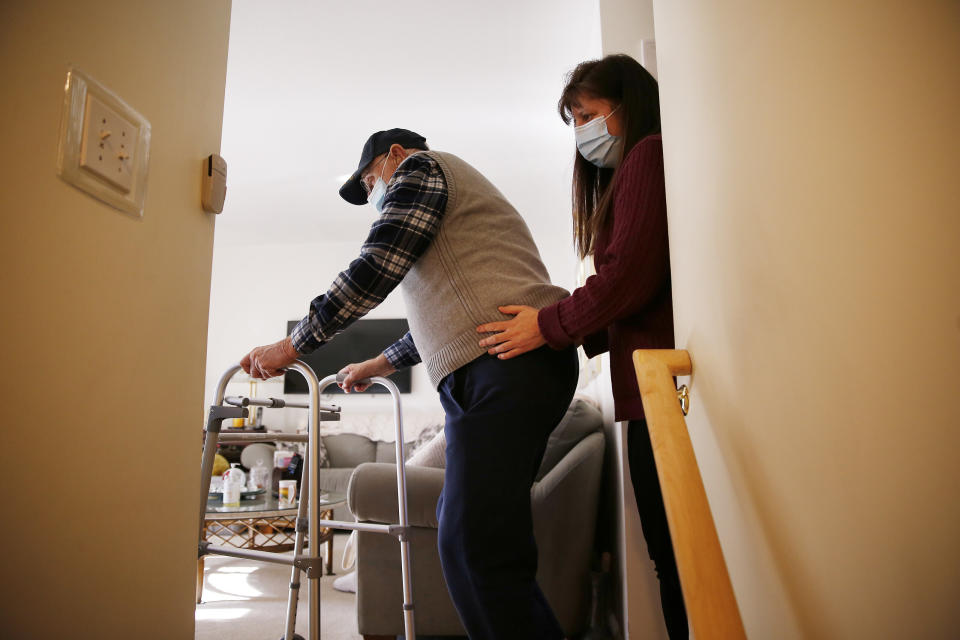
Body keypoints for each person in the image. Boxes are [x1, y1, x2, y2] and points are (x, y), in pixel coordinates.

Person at [240, 128, 578, 639]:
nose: (374, 194)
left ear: (394, 155)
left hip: (504, 367)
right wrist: (380, 362)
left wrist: (292, 347)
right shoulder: (448, 213)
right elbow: (452, 312)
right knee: (471, 536)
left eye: (371, 179)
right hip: (499, 366)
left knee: (475, 543)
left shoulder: (422, 169)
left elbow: (377, 263)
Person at [474, 55, 688, 639]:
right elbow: (628, 294)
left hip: (661, 398)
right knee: (671, 559)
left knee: (675, 560)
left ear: (628, 106)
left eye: (588, 115)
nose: (582, 132)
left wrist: (549, 325)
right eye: (573, 120)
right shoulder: (639, 168)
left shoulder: (649, 153)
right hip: (648, 395)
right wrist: (557, 323)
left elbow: (626, 280)